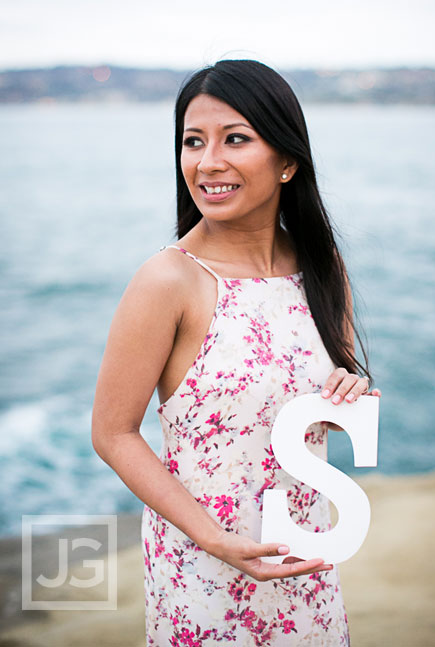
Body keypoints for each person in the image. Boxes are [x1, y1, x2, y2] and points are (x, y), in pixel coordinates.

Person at [92, 59, 378, 646]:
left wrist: (352, 394)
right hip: (204, 570)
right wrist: (216, 540)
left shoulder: (323, 270)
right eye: (192, 142)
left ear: (288, 162)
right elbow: (113, 432)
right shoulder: (168, 280)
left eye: (236, 139)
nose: (207, 162)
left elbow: (328, 413)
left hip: (306, 559)